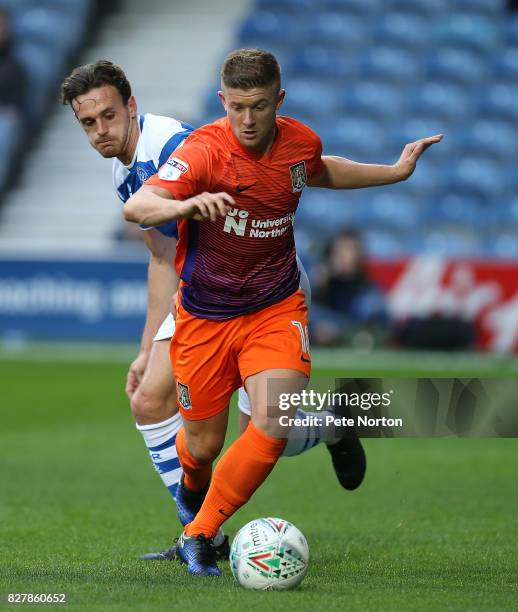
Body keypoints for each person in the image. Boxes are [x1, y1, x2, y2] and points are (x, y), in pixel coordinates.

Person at [124, 48, 442, 576]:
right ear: (223, 100)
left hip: (275, 306)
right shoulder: (204, 152)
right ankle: (333, 427)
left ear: (280, 101)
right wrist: (183, 205)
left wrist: (393, 172)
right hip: (205, 317)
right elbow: (138, 206)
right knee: (201, 447)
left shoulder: (300, 141)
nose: (247, 121)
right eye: (237, 108)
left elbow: (319, 171)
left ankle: (200, 535)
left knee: (274, 421)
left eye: (261, 107)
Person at [60, 59, 366, 562]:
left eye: (108, 117)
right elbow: (163, 256)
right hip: (209, 295)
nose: (100, 131)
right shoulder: (125, 165)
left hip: (258, 294)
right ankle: (201, 532)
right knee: (161, 401)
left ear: (132, 106)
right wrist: (145, 349)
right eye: (88, 124)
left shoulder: (175, 148)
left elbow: (272, 180)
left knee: (257, 432)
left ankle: (201, 532)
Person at [312, 229, 387, 347]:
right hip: (326, 324)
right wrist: (320, 283)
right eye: (338, 251)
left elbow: (366, 317)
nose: (342, 256)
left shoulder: (366, 288)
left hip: (353, 328)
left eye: (347, 251)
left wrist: (336, 329)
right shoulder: (326, 280)